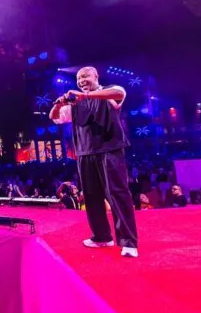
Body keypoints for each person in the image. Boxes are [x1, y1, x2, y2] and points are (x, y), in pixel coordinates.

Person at [50, 66, 139, 258]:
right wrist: (58, 104)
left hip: (110, 150)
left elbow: (119, 93)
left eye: (85, 76)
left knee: (117, 194)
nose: (81, 80)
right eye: (78, 78)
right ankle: (101, 237)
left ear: (96, 76)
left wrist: (85, 96)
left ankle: (128, 242)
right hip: (84, 153)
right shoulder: (75, 104)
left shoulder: (109, 92)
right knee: (91, 197)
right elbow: (54, 117)